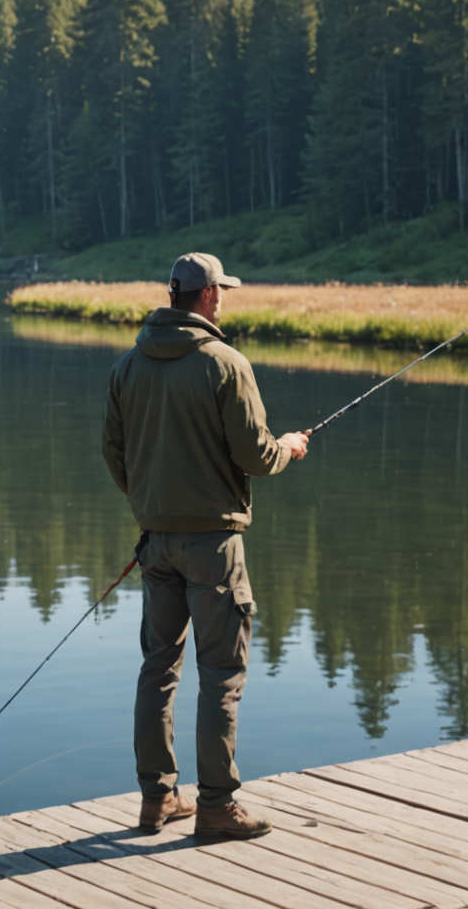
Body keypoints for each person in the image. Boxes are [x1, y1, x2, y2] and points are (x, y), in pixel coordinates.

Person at [101, 252, 309, 838]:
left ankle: (157, 799)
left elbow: (113, 453)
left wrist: (150, 503)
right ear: (210, 295)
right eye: (222, 291)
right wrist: (289, 447)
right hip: (213, 546)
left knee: (158, 668)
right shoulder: (226, 364)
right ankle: (216, 806)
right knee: (220, 672)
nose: (223, 299)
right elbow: (256, 456)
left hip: (155, 543)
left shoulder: (126, 366)